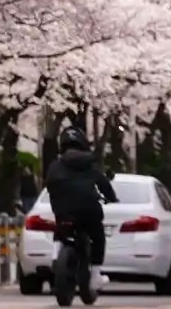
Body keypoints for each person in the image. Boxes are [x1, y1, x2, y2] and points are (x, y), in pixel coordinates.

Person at [42, 128, 117, 305]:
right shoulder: (89, 164)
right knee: (98, 238)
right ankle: (96, 275)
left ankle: (55, 257)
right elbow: (103, 184)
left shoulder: (55, 165)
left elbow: (48, 184)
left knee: (60, 230)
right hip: (88, 211)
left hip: (63, 211)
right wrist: (112, 197)